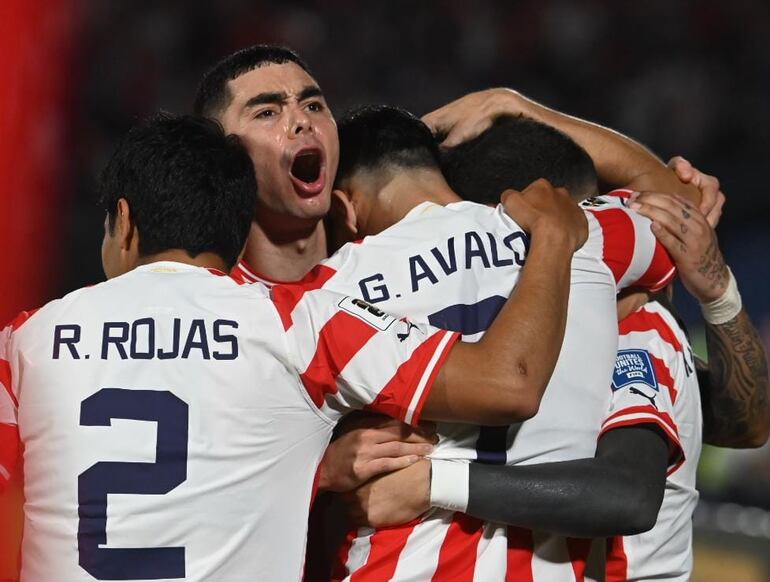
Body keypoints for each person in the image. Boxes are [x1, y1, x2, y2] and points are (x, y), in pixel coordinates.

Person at [0, 113, 588, 582]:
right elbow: (509, 382)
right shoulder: (298, 323)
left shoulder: (22, 344)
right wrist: (555, 240)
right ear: (234, 230)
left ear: (123, 223)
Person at [342, 115, 769, 582]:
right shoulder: (517, 322)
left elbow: (626, 494)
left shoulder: (635, 325)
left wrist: (433, 482)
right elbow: (674, 199)